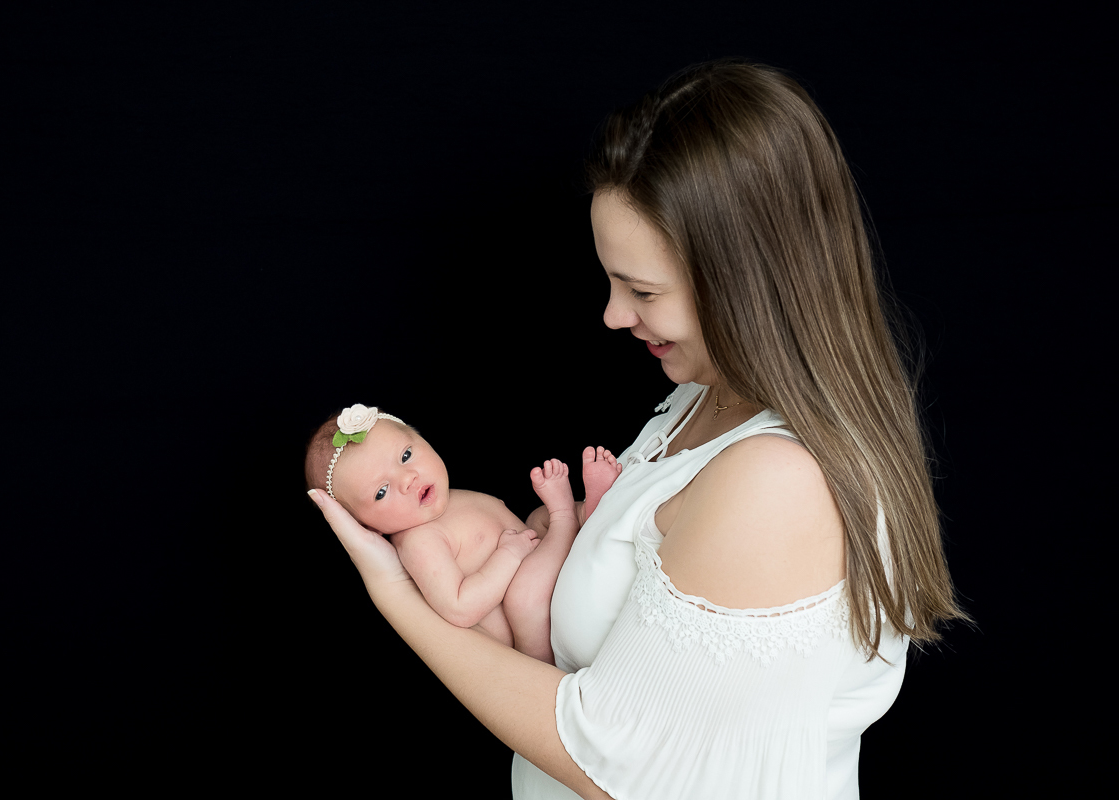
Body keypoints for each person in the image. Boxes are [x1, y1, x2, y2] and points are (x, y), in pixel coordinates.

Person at [308, 58, 967, 799]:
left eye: (642, 290)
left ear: (747, 281)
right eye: (612, 282)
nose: (614, 316)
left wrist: (396, 593)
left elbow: (614, 765)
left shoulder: (775, 481)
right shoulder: (701, 400)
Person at [304, 403, 623, 665]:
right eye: (382, 491)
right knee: (523, 592)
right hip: (533, 634)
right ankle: (569, 515)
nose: (408, 478)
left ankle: (583, 513)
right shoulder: (419, 542)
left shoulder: (445, 498)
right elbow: (459, 605)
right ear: (366, 526)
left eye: (405, 456)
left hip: (541, 565)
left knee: (537, 518)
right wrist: (508, 555)